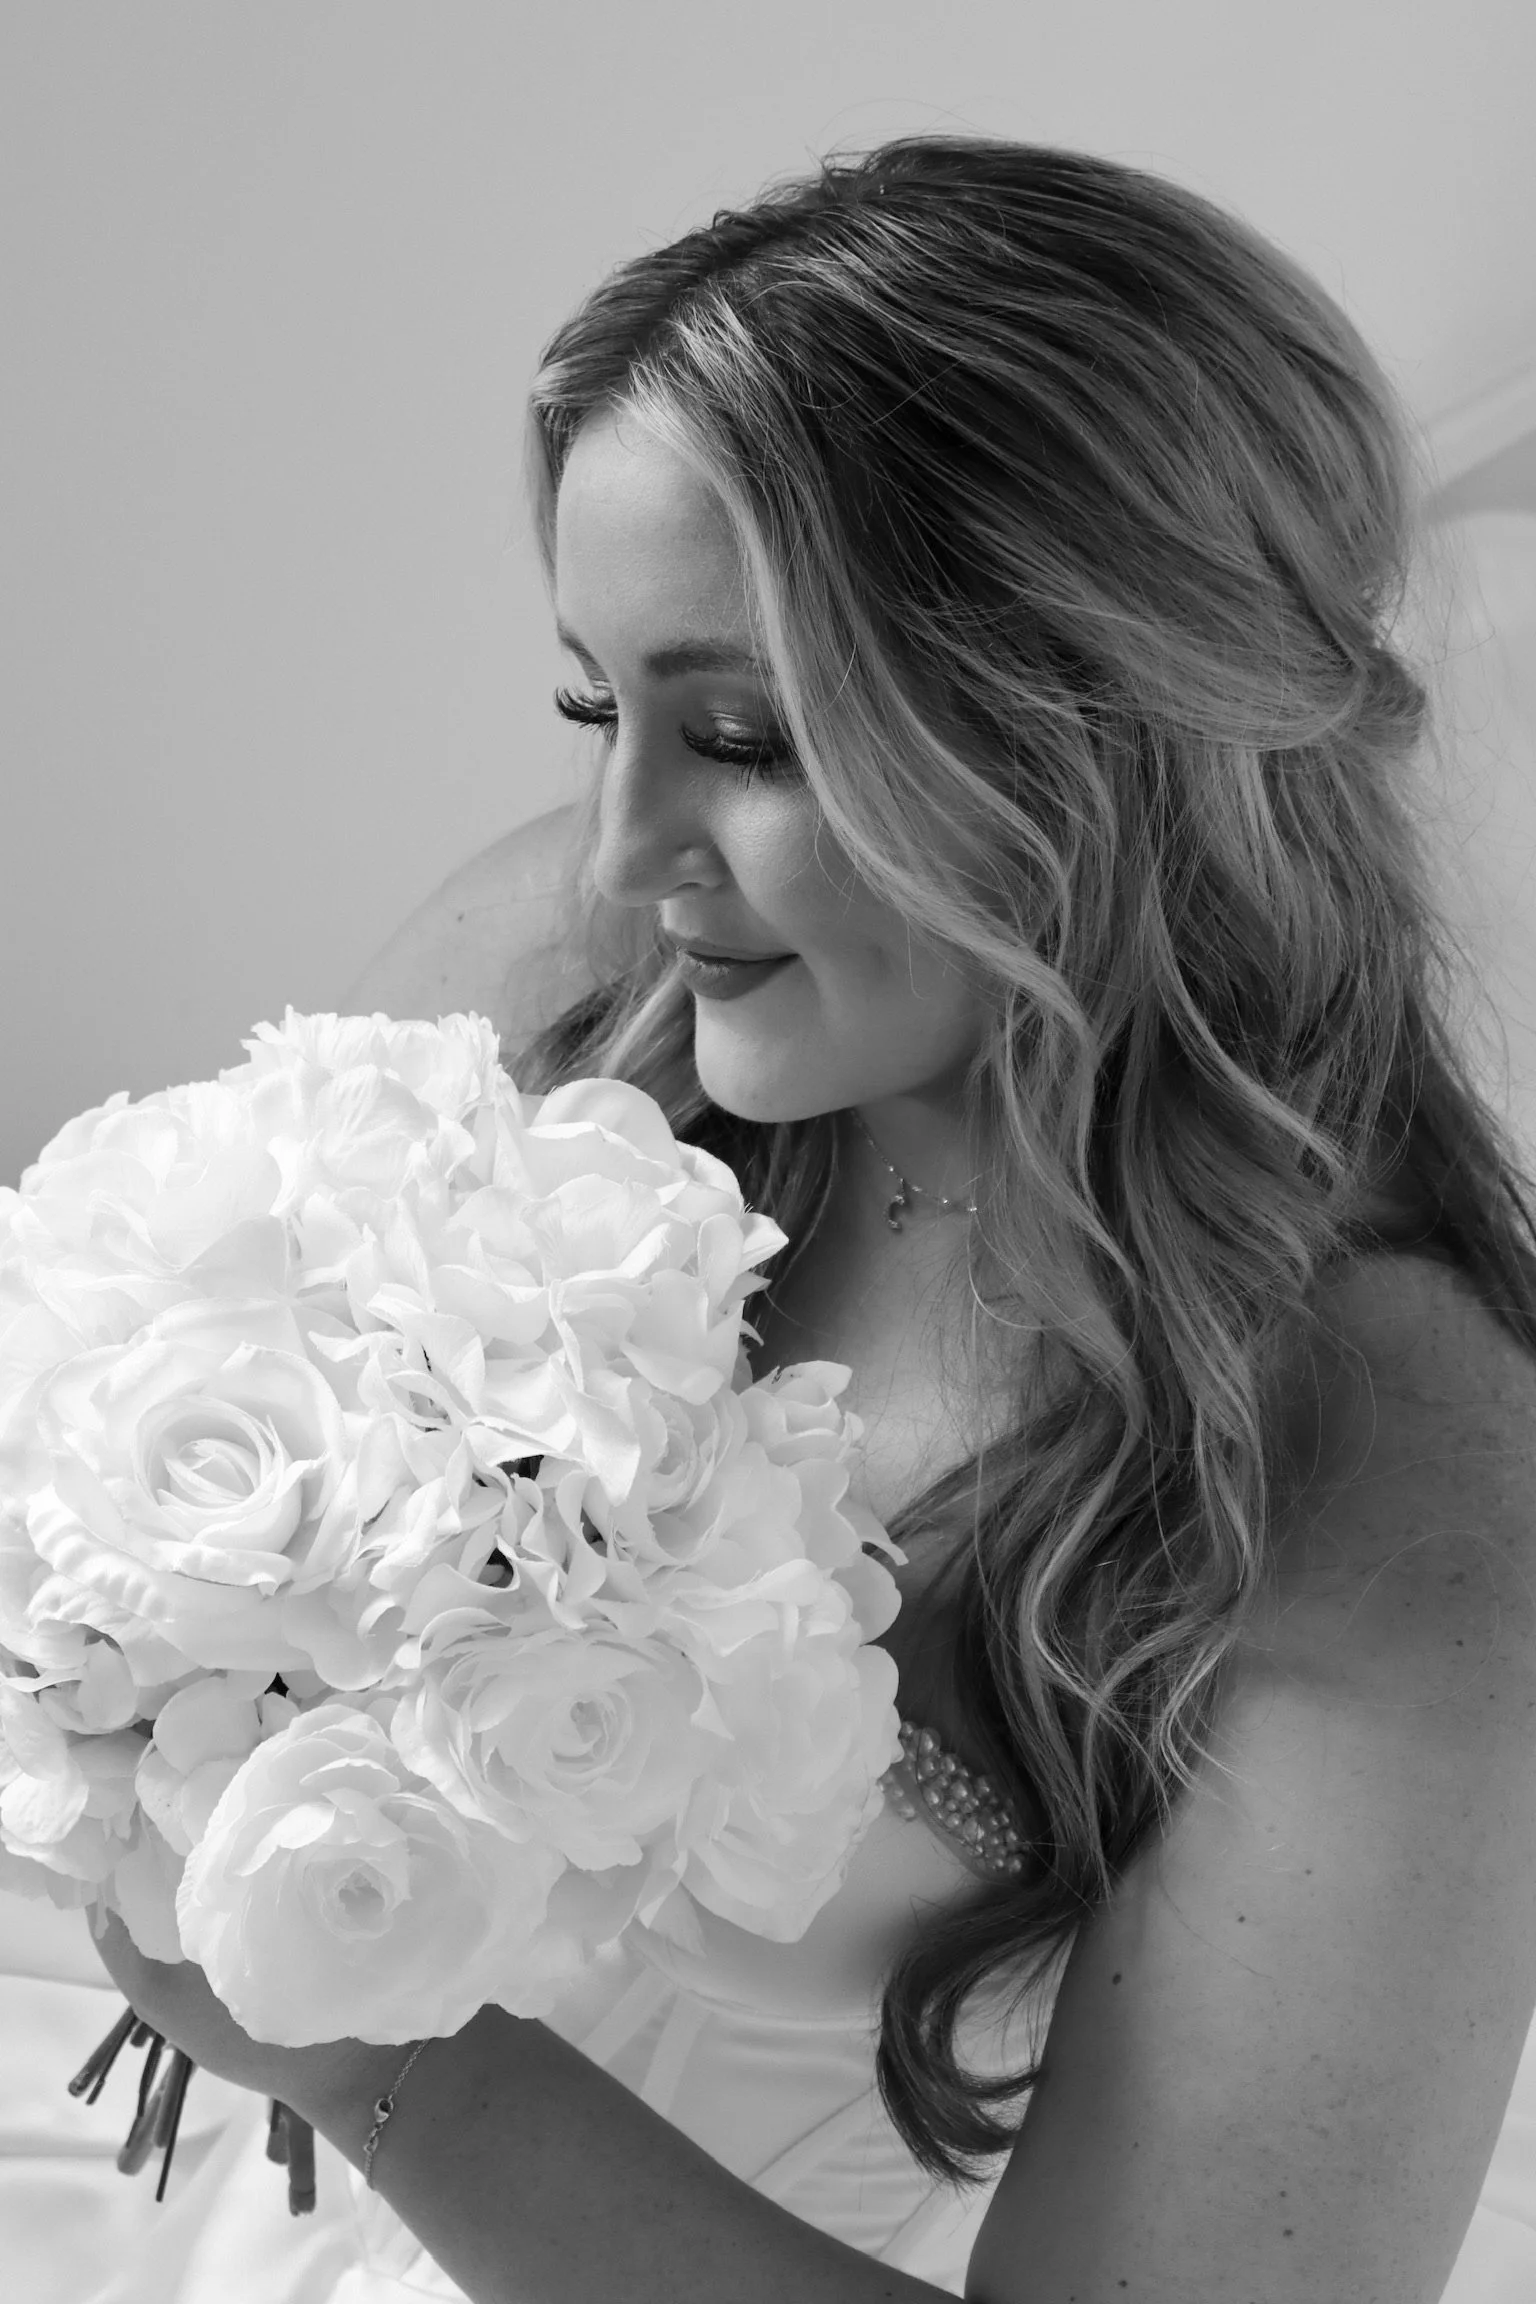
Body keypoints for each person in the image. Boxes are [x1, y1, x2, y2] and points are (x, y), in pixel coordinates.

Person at [89, 134, 1536, 2303]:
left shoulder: (1394, 1482)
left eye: (748, 733)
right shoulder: (589, 1006)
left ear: (1106, 726)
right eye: (599, 701)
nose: (613, 853)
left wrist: (369, 2049)